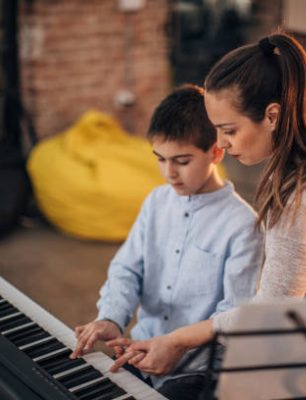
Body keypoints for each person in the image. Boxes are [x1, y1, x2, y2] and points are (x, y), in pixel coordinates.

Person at [107, 32, 306, 382]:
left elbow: (269, 314)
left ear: (272, 115)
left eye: (228, 130)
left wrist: (177, 340)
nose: (220, 144)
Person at [70, 84, 263, 400]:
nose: (168, 173)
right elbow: (126, 269)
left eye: (182, 161)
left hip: (197, 371)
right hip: (138, 352)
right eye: (160, 159)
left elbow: (234, 316)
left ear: (216, 151)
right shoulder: (156, 202)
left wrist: (177, 346)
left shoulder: (244, 225)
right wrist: (110, 317)